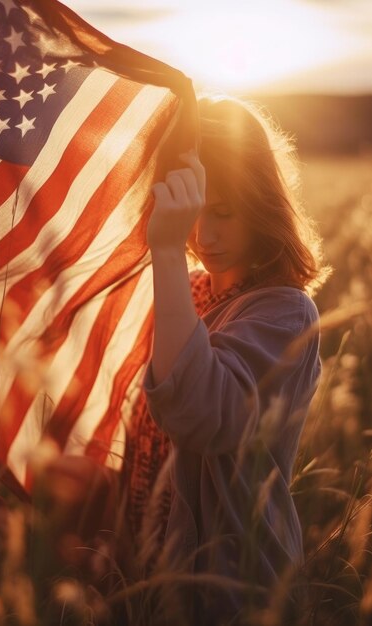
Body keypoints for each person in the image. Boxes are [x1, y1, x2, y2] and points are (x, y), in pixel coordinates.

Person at [121, 92, 332, 625]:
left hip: (228, 591)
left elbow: (196, 411)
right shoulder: (192, 291)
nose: (203, 236)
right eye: (192, 214)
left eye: (223, 213)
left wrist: (167, 250)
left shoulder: (287, 313)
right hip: (154, 575)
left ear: (261, 204)